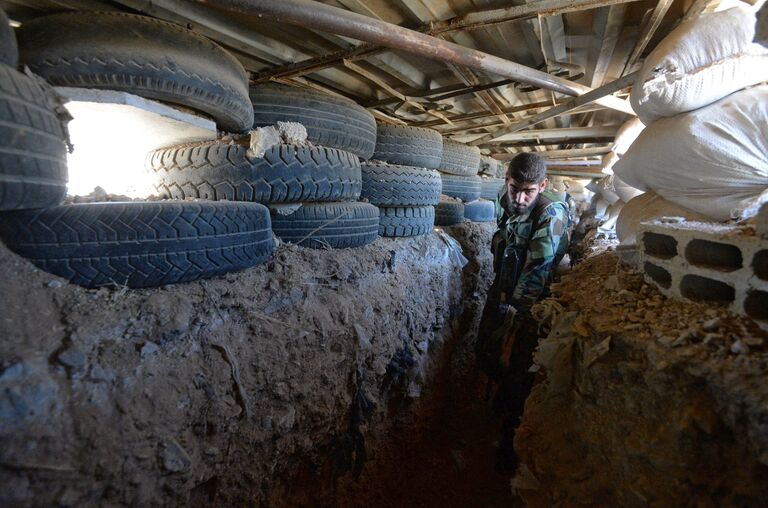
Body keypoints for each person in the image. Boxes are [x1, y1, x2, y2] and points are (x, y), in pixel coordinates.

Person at [476, 152, 570, 471]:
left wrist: (516, 312)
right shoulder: (506, 200)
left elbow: (539, 267)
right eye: (515, 188)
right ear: (507, 178)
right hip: (503, 286)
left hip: (531, 301)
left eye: (528, 191)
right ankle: (497, 400)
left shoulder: (551, 213)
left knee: (519, 371)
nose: (519, 198)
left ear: (542, 185)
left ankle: (509, 446)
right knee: (485, 350)